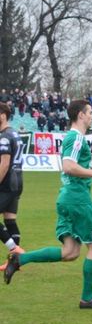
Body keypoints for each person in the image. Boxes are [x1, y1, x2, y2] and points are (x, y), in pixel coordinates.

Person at [4, 99, 92, 309]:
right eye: (90, 112)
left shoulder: (74, 138)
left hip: (67, 197)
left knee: (70, 252)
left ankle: (20, 259)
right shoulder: (76, 137)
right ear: (80, 115)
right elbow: (68, 166)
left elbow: (74, 166)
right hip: (77, 199)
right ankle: (87, 299)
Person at [0, 103, 24, 271]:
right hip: (18, 181)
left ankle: (14, 248)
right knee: (10, 220)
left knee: (10, 221)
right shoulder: (14, 133)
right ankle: (15, 262)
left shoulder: (4, 137)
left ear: (3, 115)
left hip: (8, 182)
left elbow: (4, 164)